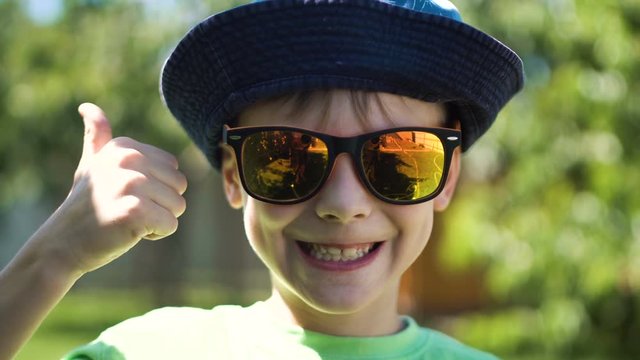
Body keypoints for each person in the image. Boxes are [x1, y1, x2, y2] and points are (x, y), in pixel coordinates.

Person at [0, 0, 524, 358]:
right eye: (286, 156)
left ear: (448, 175)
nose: (343, 204)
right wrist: (53, 259)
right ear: (233, 174)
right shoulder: (149, 351)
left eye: (397, 157)